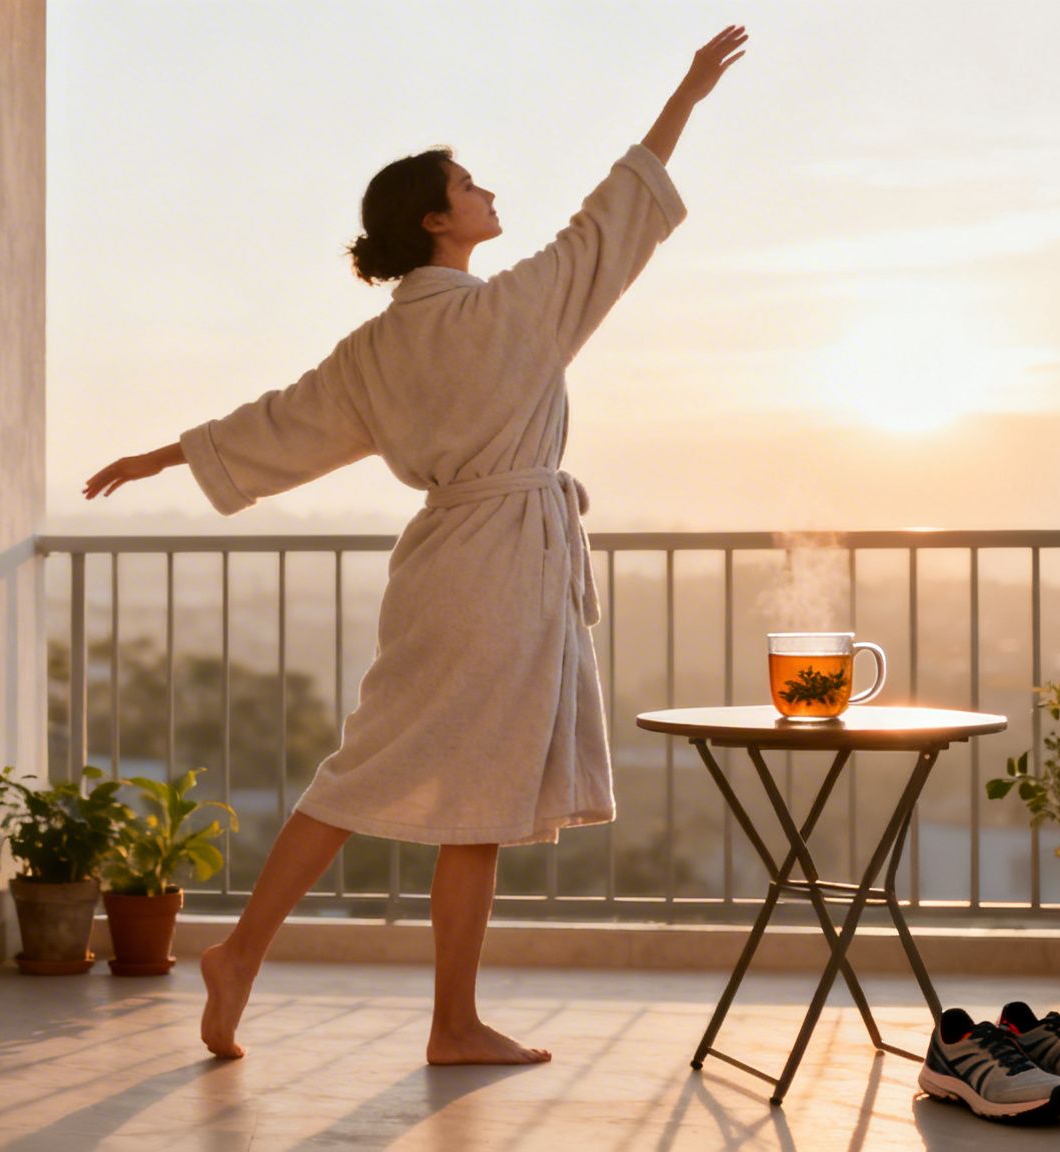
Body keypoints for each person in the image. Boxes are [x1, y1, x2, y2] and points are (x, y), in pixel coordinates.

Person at [83, 26, 748, 1065]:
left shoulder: (375, 347)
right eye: (469, 185)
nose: (488, 193)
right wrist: (688, 93)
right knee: (448, 800)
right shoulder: (514, 311)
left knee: (387, 780)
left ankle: (332, 982)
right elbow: (616, 214)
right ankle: (420, 1014)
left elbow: (277, 423)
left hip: (442, 567)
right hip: (504, 573)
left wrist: (167, 456)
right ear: (437, 220)